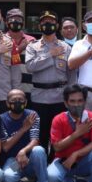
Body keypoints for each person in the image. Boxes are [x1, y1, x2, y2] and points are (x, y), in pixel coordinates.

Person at [25, 11, 72, 158]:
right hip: (40, 98)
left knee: (59, 135)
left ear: (57, 25)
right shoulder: (32, 47)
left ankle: (55, 163)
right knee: (41, 135)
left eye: (51, 22)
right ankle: (40, 165)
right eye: (44, 22)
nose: (48, 25)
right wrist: (50, 54)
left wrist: (70, 96)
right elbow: (30, 67)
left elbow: (71, 73)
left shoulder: (66, 47)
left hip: (59, 97)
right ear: (40, 25)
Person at [47, 84, 92, 182]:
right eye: (72, 101)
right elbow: (57, 147)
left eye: (80, 101)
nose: (76, 104)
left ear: (85, 102)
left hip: (84, 161)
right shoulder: (58, 119)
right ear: (66, 103)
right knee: (51, 177)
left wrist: (75, 154)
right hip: (63, 162)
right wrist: (77, 133)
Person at [0, 89, 49, 182]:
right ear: (7, 103)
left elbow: (35, 141)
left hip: (30, 160)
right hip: (15, 162)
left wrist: (23, 151)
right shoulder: (1, 119)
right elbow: (5, 147)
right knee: (7, 177)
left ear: (25, 102)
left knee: (39, 150)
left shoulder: (32, 115)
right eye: (14, 100)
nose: (17, 102)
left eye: (20, 100)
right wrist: (23, 129)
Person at [6, 8, 36, 100]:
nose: (15, 22)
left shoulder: (31, 40)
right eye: (12, 19)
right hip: (8, 88)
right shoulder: (2, 40)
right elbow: (5, 61)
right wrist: (20, 48)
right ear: (6, 23)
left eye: (19, 19)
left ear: (23, 23)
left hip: (28, 88)